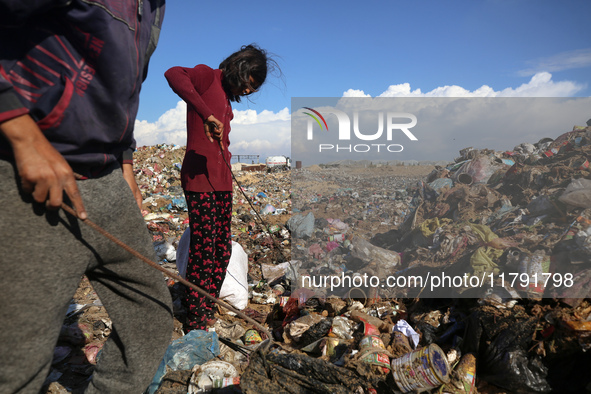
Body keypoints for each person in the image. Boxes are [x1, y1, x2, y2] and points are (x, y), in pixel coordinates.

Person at [0, 1, 172, 393]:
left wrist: (126, 162)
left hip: (107, 178)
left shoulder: (155, 7)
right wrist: (21, 133)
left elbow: (126, 86)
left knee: (151, 314)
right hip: (33, 178)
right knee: (17, 365)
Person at [164, 44, 277, 331]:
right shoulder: (206, 77)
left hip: (222, 181)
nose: (249, 93)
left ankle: (208, 300)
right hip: (199, 179)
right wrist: (204, 113)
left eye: (253, 89)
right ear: (238, 69)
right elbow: (173, 74)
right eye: (248, 84)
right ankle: (196, 315)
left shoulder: (226, 98)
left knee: (221, 247)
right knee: (202, 248)